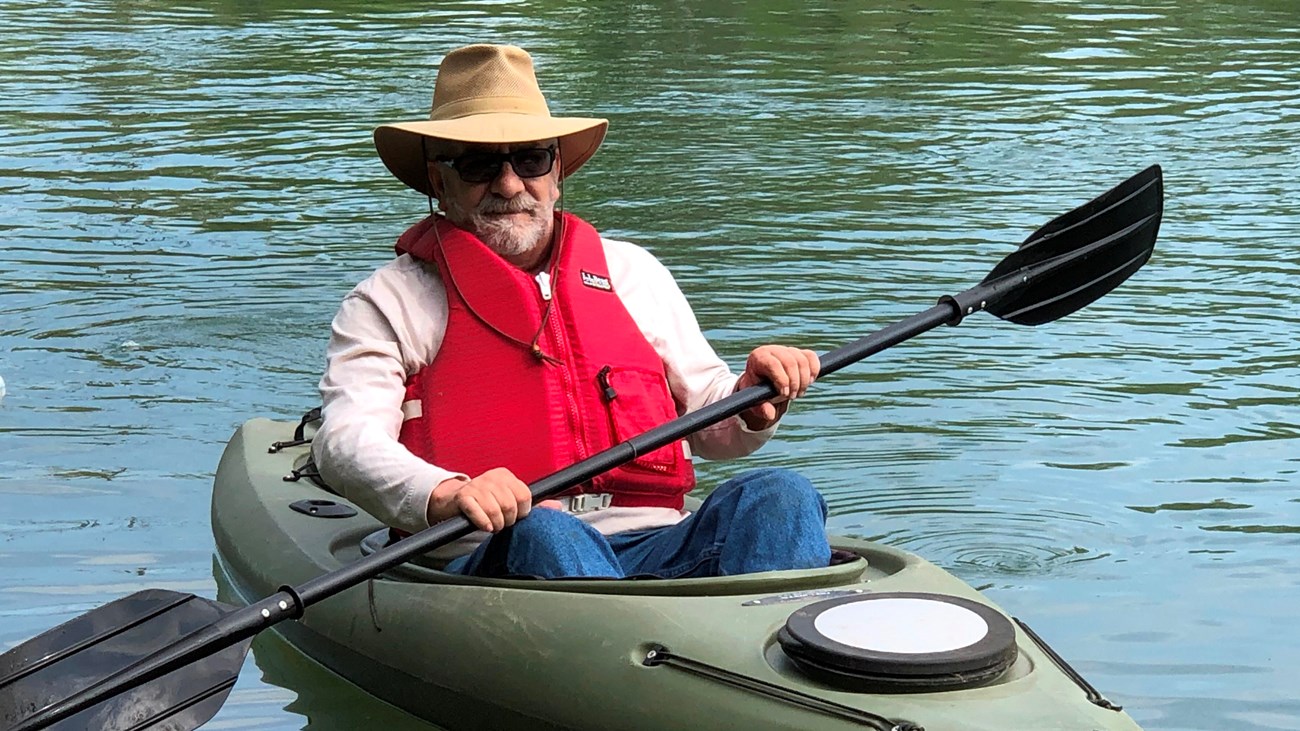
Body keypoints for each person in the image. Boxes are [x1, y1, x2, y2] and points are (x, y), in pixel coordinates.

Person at [313, 43, 831, 579]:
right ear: (440, 183)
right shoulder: (387, 302)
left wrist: (751, 397)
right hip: (491, 553)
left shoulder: (633, 273)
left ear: (556, 171)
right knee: (544, 530)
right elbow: (346, 444)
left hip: (654, 539)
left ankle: (765, 638)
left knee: (783, 494)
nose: (510, 185)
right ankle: (630, 651)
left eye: (531, 159)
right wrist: (448, 492)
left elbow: (709, 417)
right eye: (478, 165)